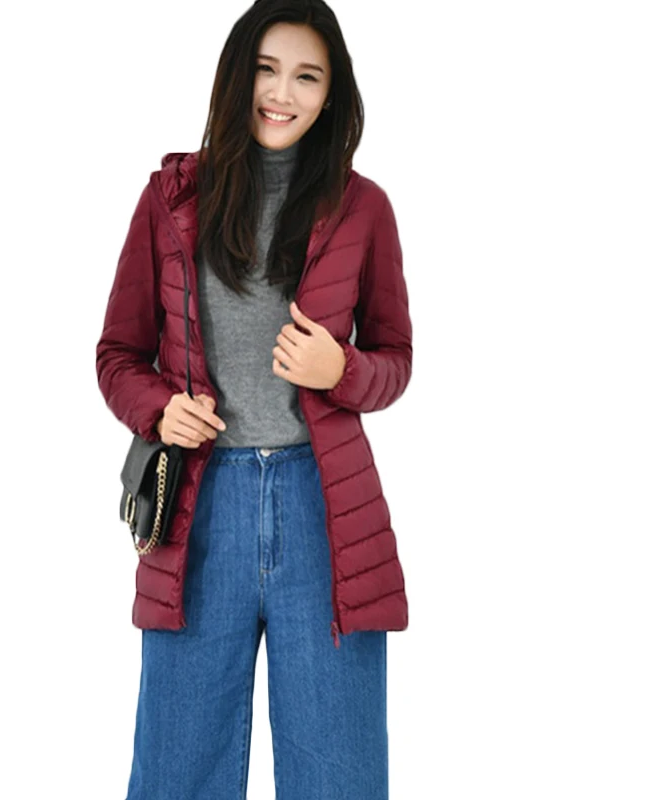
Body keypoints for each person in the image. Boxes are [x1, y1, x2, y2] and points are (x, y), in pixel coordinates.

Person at [95, 1, 414, 797]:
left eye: (307, 76)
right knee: (178, 770)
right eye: (266, 70)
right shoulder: (171, 200)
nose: (282, 93)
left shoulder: (363, 207)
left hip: (324, 509)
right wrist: (160, 409)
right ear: (236, 76)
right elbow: (118, 355)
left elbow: (396, 361)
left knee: (338, 774)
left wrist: (339, 369)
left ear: (332, 95)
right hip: (201, 509)